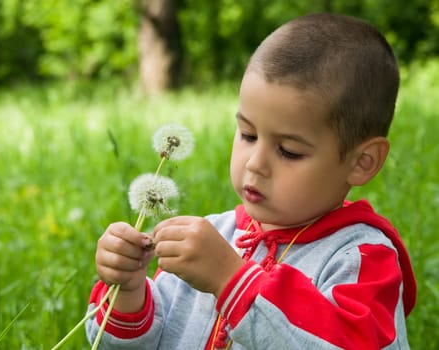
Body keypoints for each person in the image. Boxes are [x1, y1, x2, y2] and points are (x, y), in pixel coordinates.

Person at [86, 13, 416, 349]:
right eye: (247, 134)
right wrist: (128, 290)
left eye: (288, 151)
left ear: (362, 162)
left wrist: (232, 280)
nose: (255, 164)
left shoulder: (360, 259)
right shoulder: (213, 238)